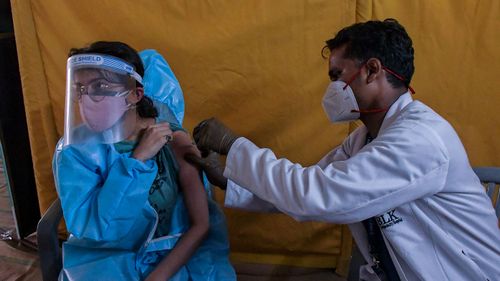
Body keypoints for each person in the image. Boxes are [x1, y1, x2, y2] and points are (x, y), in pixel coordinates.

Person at [186, 19, 500, 281]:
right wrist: (232, 181)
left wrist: (234, 146)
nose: (332, 88)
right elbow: (306, 185)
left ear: (373, 70)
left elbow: (316, 196)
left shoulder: (420, 138)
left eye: (337, 76)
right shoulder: (365, 138)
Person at [53, 41, 236, 281]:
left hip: (175, 257)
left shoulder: (171, 140)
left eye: (99, 86)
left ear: (135, 94)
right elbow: (97, 230)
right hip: (106, 261)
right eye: (80, 89)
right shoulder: (77, 152)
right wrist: (137, 160)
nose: (86, 100)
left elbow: (200, 225)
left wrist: (155, 278)